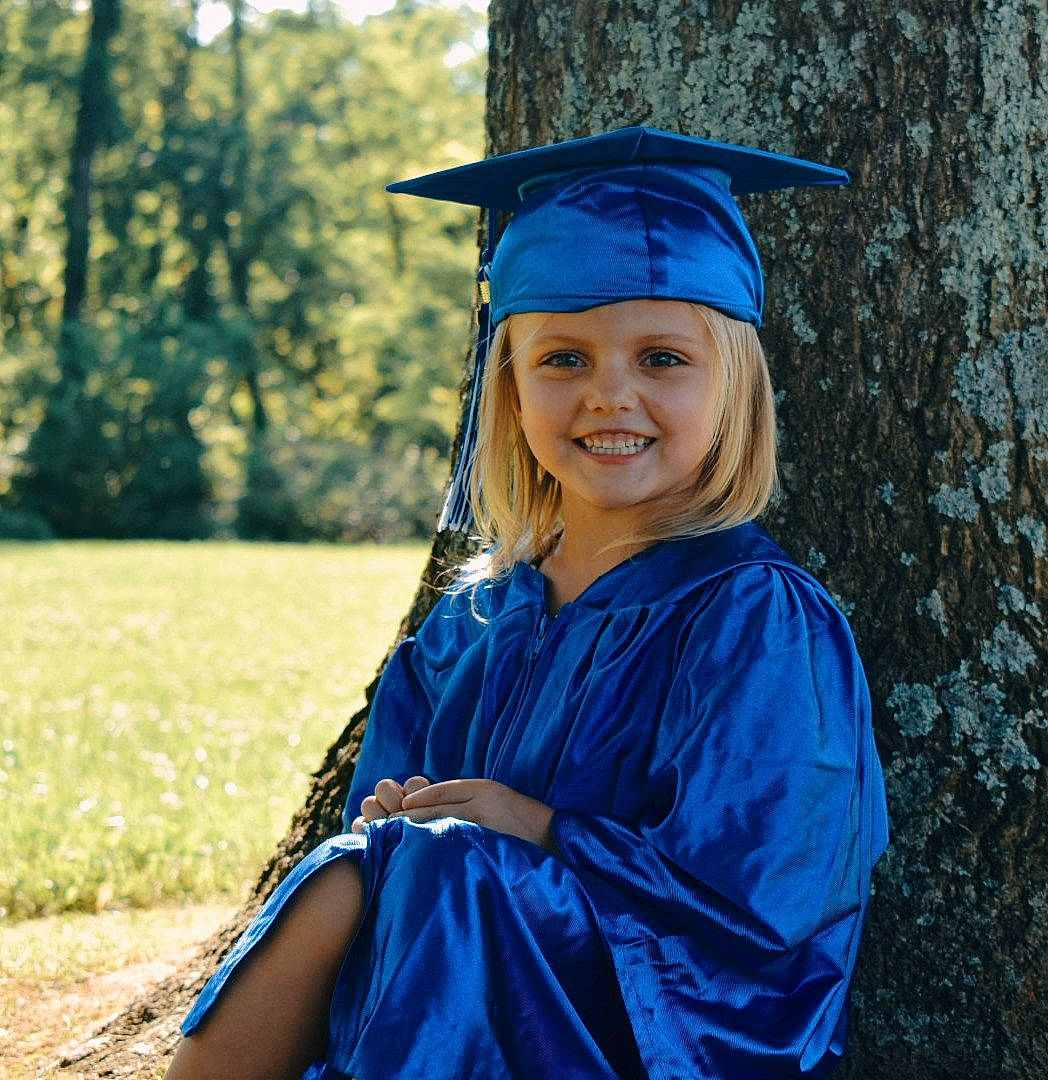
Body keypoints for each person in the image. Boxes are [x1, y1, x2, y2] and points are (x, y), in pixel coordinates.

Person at [165, 126, 888, 1080]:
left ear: (733, 388)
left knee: (439, 865)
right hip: (449, 965)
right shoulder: (470, 618)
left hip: (671, 1010)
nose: (610, 395)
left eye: (662, 358)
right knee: (359, 867)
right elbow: (383, 834)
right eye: (563, 360)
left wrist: (536, 830)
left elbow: (768, 908)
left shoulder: (752, 617)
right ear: (507, 391)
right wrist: (402, 819)